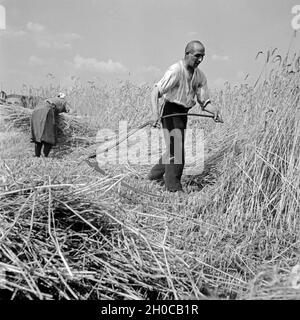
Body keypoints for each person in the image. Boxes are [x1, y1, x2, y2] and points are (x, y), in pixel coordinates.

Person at [148, 40, 223, 192]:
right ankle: (174, 188)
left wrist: (214, 111)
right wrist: (155, 114)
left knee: (174, 147)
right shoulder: (176, 70)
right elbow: (155, 92)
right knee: (177, 149)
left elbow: (204, 102)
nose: (200, 60)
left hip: (183, 114)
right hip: (170, 111)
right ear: (187, 54)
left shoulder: (200, 76)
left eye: (202, 56)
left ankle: (154, 175)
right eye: (197, 56)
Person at [30, 92, 69, 157]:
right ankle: (45, 156)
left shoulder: (51, 99)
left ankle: (37, 155)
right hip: (47, 110)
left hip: (35, 111)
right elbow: (69, 111)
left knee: (38, 135)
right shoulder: (63, 101)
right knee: (49, 135)